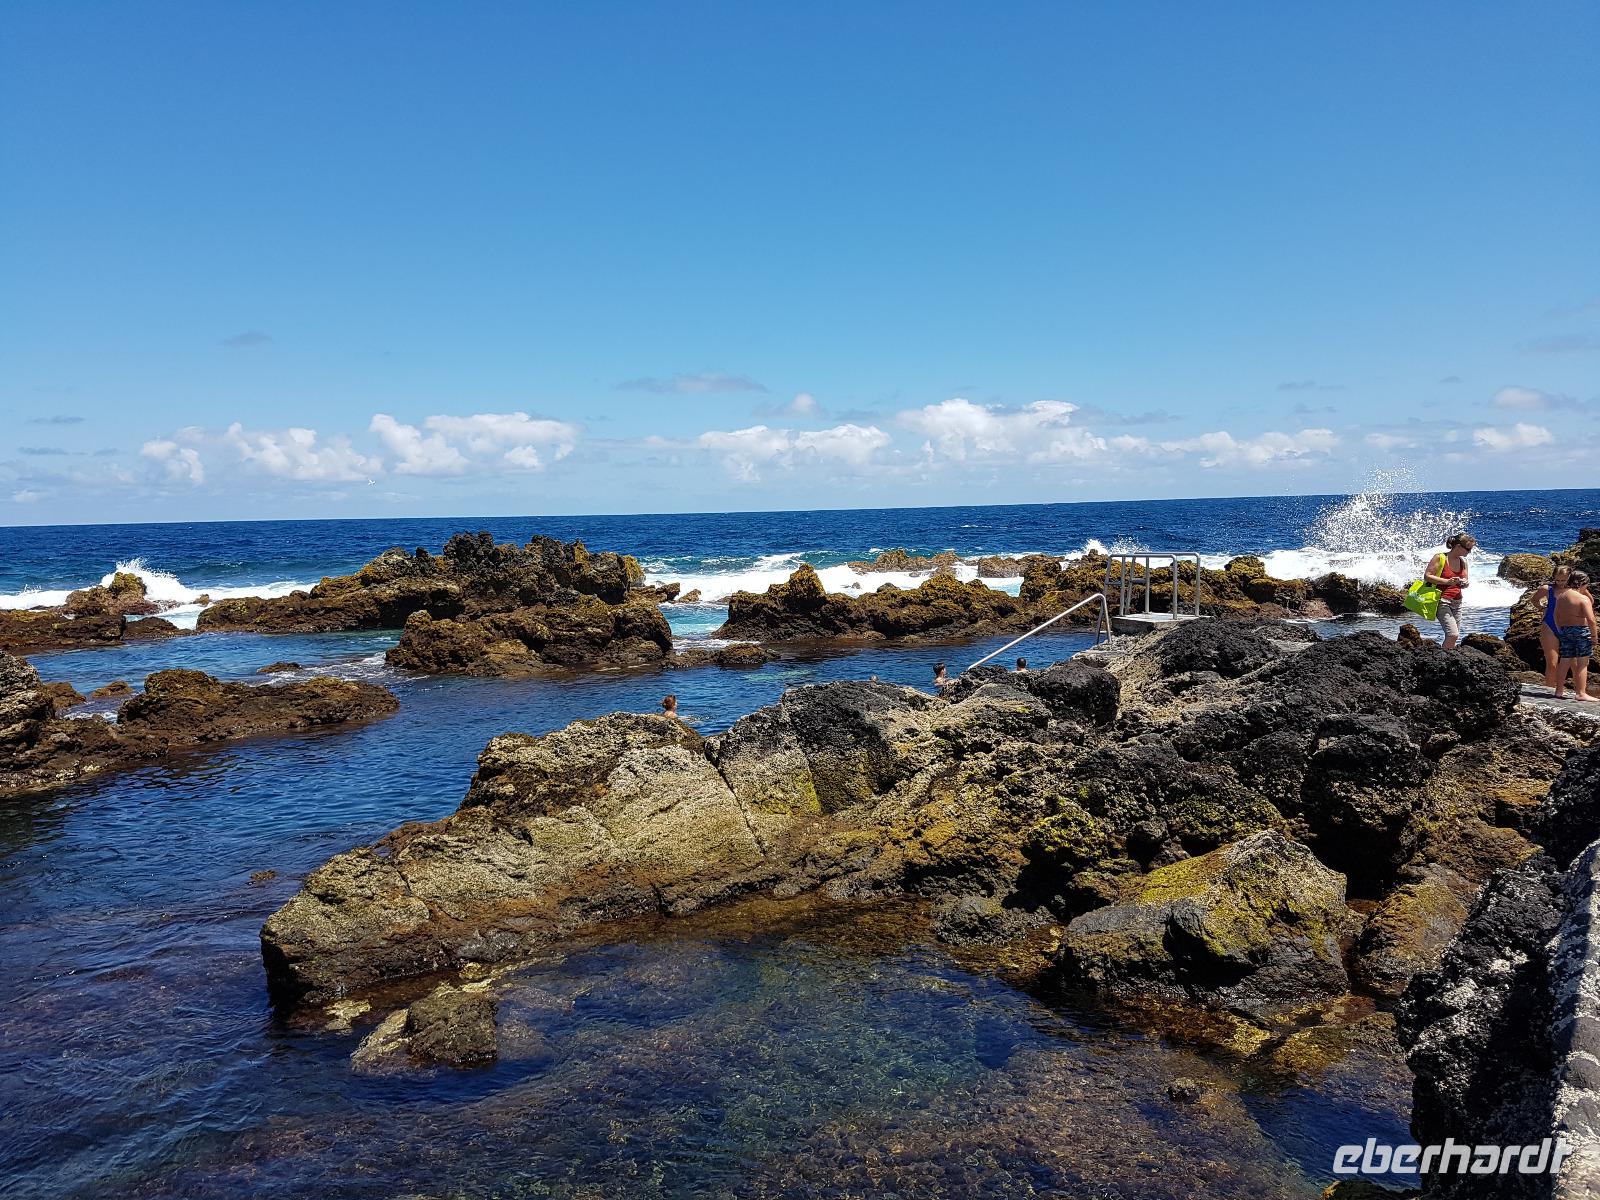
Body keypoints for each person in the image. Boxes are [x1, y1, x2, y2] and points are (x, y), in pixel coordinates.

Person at [1423, 531, 1475, 649]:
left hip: (1457, 601)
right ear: (1458, 547)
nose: (1469, 552)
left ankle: (1447, 659)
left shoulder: (1463, 562)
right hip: (1442, 601)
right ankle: (1442, 660)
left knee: (1454, 636)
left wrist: (1464, 583)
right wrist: (1447, 582)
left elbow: (1465, 581)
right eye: (1468, 549)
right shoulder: (1440, 557)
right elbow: (1427, 576)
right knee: (1453, 634)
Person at [1553, 571, 1597, 702]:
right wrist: (1594, 636)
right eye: (1586, 586)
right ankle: (1581, 693)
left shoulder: (1561, 597)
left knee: (1565, 660)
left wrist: (1561, 629)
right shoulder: (1582, 599)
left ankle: (1559, 690)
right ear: (1582, 583)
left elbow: (1556, 616)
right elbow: (1591, 620)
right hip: (1582, 632)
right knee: (1583, 662)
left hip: (1565, 631)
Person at [1533, 564, 1573, 691]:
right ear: (1554, 577)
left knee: (1574, 663)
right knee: (1552, 662)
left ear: (1569, 577)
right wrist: (1543, 608)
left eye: (1563, 580)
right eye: (1557, 580)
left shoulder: (1575, 590)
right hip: (1549, 625)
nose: (1560, 583)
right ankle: (1549, 691)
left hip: (1569, 626)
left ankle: (1578, 692)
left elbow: (1588, 602)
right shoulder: (1547, 589)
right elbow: (1534, 600)